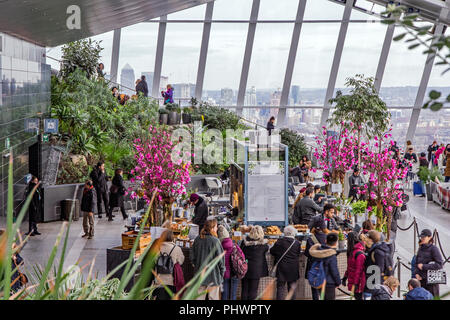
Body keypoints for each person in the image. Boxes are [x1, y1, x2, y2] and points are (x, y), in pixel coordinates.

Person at [190, 219, 225, 300]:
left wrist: (196, 265)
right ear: (212, 228)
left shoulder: (197, 239)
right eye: (216, 227)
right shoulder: (215, 241)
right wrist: (222, 274)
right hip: (214, 277)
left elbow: (192, 256)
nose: (217, 229)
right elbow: (221, 261)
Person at [270, 225, 301, 300]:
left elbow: (272, 251)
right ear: (293, 233)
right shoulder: (297, 243)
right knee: (291, 289)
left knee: (280, 288)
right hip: (293, 268)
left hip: (281, 268)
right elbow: (298, 254)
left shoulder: (279, 242)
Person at [153, 230, 185, 300]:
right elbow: (181, 261)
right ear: (172, 237)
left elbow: (154, 261)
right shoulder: (176, 248)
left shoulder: (157, 247)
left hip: (159, 280)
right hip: (171, 280)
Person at [240, 225, 269, 300]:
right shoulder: (263, 245)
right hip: (256, 269)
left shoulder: (244, 242)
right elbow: (267, 249)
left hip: (245, 268)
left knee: (244, 289)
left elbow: (241, 251)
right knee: (253, 290)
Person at [309, 233, 341, 300]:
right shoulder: (332, 255)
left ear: (325, 241)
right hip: (329, 283)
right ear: (336, 243)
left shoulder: (318, 252)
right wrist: (338, 282)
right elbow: (334, 271)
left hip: (319, 281)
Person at [414, 229, 443, 297]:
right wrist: (416, 273)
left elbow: (439, 264)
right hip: (421, 280)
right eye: (421, 237)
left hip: (431, 281)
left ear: (429, 237)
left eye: (424, 237)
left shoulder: (434, 249)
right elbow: (416, 263)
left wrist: (424, 266)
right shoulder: (421, 248)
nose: (422, 239)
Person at [304, 217, 327, 300]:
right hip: (324, 266)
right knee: (323, 288)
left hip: (313, 266)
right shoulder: (327, 238)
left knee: (314, 288)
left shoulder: (310, 238)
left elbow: (307, 253)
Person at [342, 232, 366, 300]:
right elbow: (350, 266)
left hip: (358, 283)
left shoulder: (358, 254)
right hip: (354, 281)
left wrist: (355, 284)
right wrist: (345, 277)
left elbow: (359, 270)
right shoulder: (352, 251)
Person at [218, 225, 238, 300]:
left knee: (224, 294)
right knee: (233, 295)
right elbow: (242, 256)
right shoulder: (234, 245)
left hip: (223, 273)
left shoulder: (218, 246)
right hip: (234, 272)